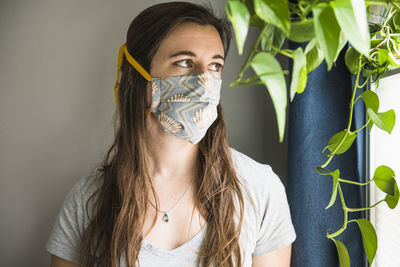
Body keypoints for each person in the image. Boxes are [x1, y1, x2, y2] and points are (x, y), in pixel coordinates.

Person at [45, 2, 296, 267]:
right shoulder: (89, 201)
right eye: (185, 62)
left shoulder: (260, 189)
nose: (204, 81)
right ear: (137, 76)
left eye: (215, 66)